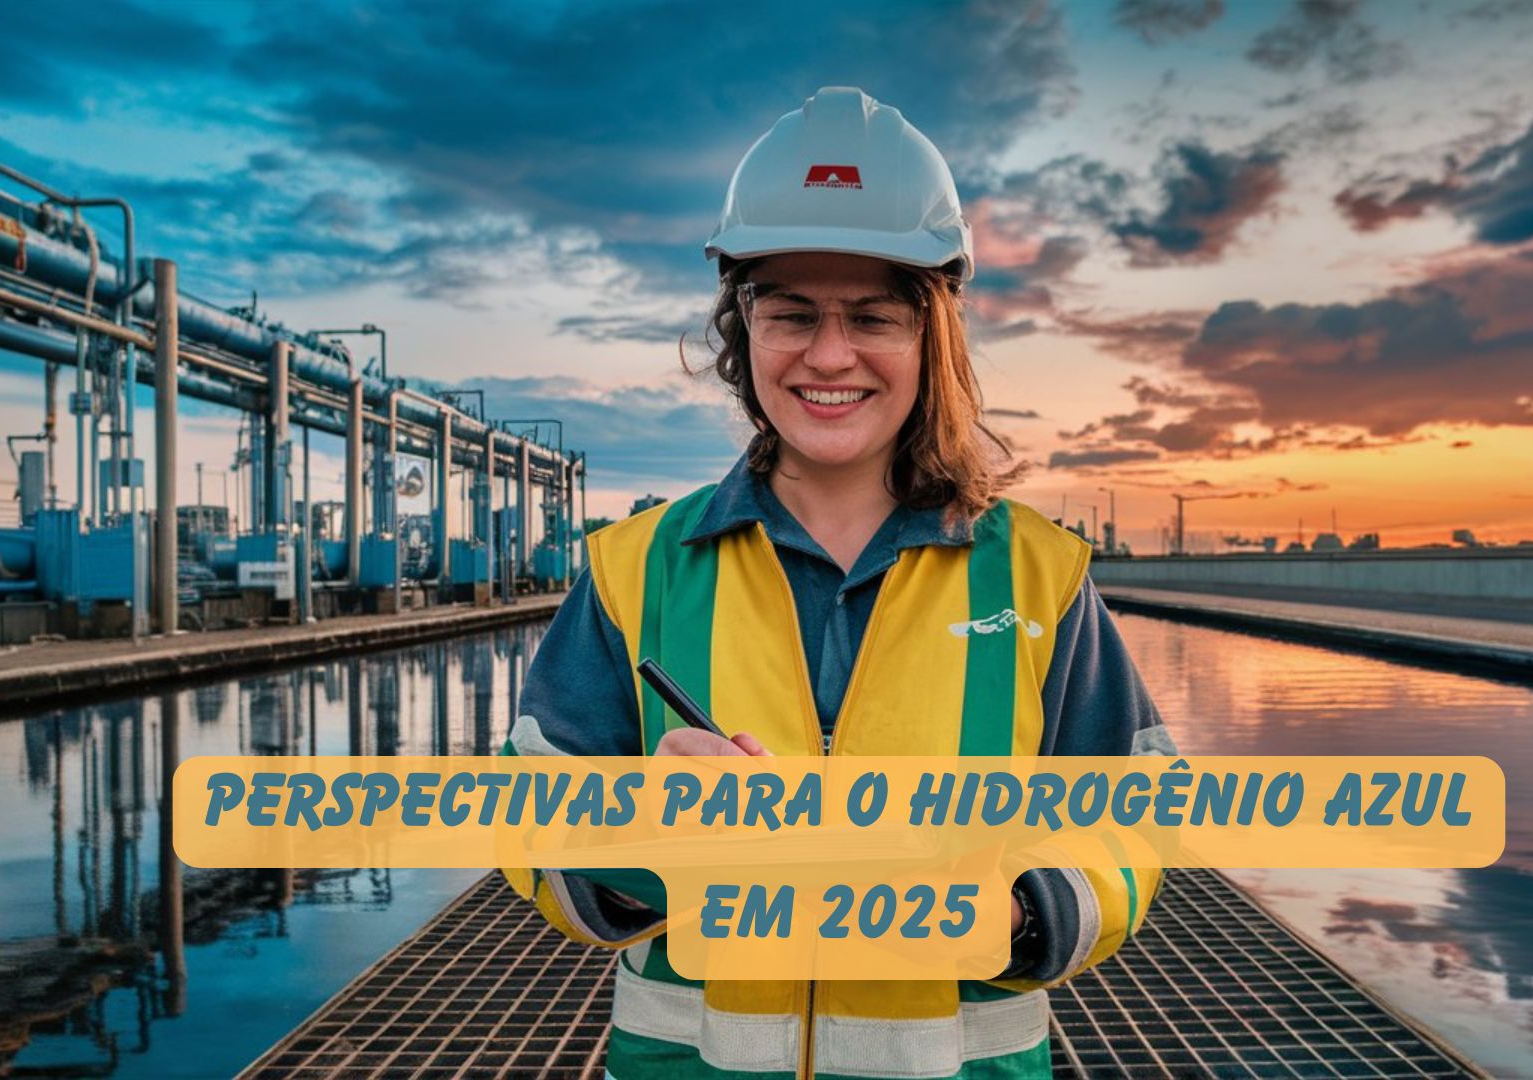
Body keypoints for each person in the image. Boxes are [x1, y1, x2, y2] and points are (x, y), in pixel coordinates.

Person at [503, 86, 1174, 1080]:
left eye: (872, 316)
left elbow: (1138, 810)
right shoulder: (633, 568)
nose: (829, 355)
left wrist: (1026, 912)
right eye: (791, 314)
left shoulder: (1040, 576)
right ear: (744, 327)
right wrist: (654, 841)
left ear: (932, 334)